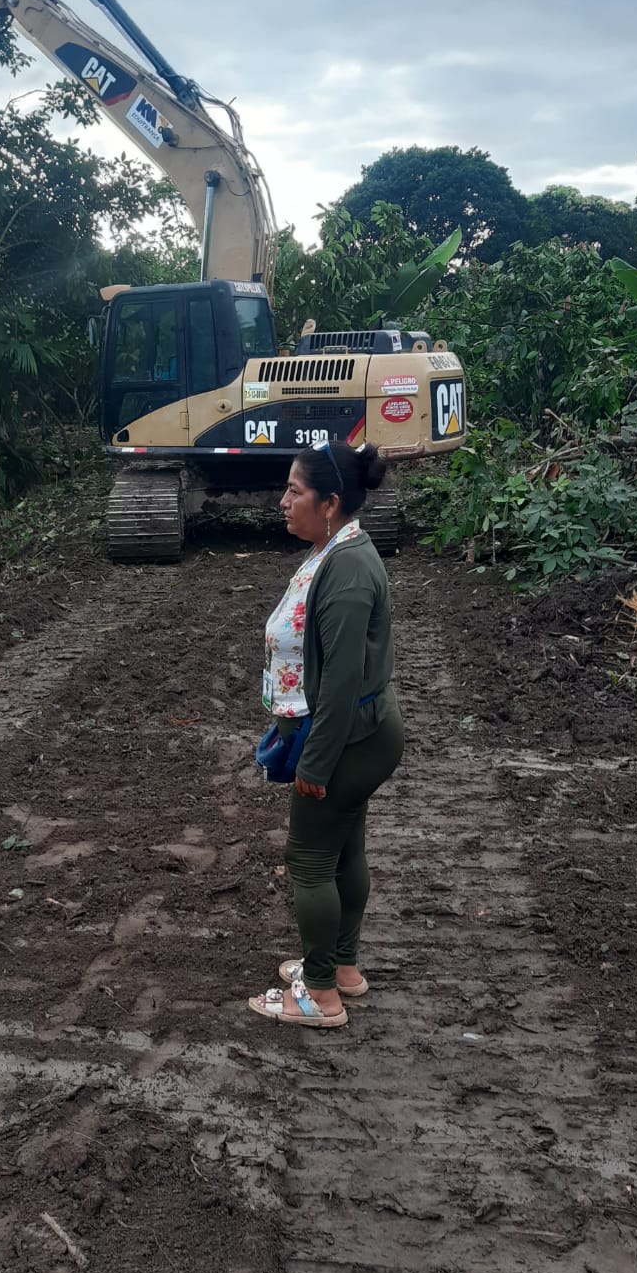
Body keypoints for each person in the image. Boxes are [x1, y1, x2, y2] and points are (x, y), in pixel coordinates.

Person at [248, 440, 404, 1029]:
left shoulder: (348, 570)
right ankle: (341, 968)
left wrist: (314, 763)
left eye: (295, 491)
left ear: (330, 502)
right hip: (355, 736)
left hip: (345, 740)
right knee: (343, 850)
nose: (283, 501)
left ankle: (318, 995)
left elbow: (340, 683)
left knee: (309, 857)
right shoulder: (335, 551)